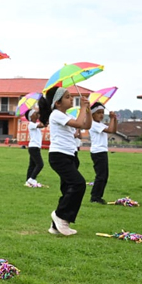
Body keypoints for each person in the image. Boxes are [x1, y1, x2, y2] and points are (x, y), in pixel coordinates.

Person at [38, 86, 91, 236]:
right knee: (78, 184)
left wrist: (87, 110)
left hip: (70, 155)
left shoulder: (65, 116)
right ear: (57, 103)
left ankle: (56, 226)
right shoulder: (56, 114)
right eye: (67, 97)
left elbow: (86, 125)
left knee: (68, 189)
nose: (71, 98)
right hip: (59, 156)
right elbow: (80, 124)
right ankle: (60, 215)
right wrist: (82, 108)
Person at [88, 103, 118, 204]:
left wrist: (114, 119)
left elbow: (113, 130)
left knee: (104, 175)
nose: (101, 115)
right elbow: (109, 129)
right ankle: (95, 197)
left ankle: (98, 196)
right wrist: (112, 119)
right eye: (98, 113)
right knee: (101, 175)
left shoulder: (100, 124)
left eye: (102, 113)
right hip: (98, 152)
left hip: (102, 151)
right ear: (92, 114)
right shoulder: (93, 124)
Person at [24, 109, 45, 186]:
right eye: (35, 113)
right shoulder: (31, 124)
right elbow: (42, 125)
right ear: (30, 116)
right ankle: (32, 179)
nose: (36, 114)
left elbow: (43, 124)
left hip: (34, 147)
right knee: (40, 164)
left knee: (32, 165)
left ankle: (27, 181)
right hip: (34, 147)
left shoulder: (35, 124)